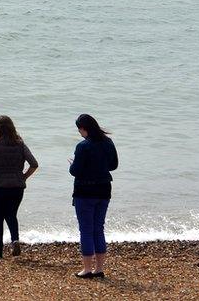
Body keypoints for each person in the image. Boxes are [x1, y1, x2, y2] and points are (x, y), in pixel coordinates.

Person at [68, 113, 118, 279]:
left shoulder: (83, 146)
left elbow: (75, 171)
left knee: (86, 230)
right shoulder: (108, 142)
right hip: (104, 189)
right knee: (98, 228)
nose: (79, 133)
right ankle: (99, 268)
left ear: (84, 129)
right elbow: (114, 165)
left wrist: (72, 164)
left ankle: (87, 269)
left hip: (85, 191)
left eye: (79, 129)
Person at [0, 115, 39, 259]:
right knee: (11, 214)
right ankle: (15, 240)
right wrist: (24, 177)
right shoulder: (20, 144)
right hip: (17, 187)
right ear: (12, 128)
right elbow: (34, 164)